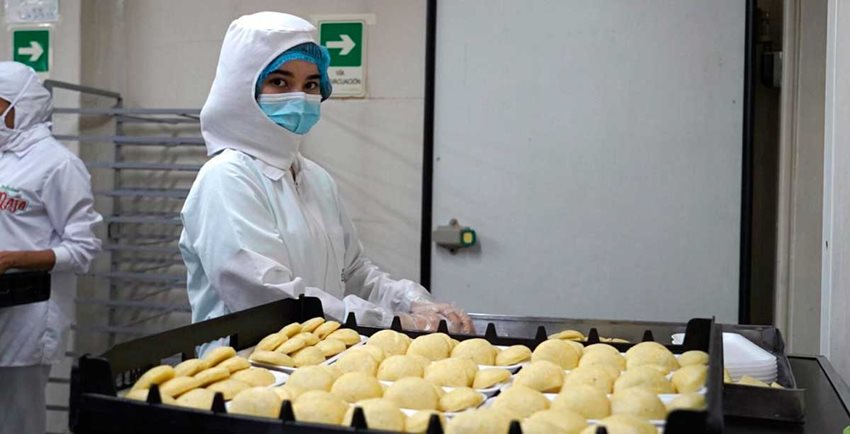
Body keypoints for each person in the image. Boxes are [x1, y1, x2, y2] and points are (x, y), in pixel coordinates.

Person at [179, 12, 473, 335]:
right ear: (242, 88)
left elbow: (355, 273)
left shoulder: (315, 178)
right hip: (244, 369)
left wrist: (410, 302)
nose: (301, 97)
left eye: (311, 84)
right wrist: (391, 322)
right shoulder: (226, 179)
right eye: (280, 81)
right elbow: (269, 298)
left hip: (316, 363)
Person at [0, 62, 103, 434]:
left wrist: (12, 259)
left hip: (27, 319)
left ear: (20, 107)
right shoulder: (3, 158)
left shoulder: (60, 166)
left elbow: (84, 248)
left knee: (18, 421)